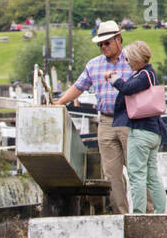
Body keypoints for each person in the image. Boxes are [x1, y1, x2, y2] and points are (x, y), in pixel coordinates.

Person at [53, 20, 137, 213]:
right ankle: (122, 216)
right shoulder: (93, 65)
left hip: (129, 119)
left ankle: (147, 214)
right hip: (105, 121)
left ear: (118, 39)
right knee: (111, 174)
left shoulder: (132, 60)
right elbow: (78, 87)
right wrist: (59, 103)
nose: (103, 47)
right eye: (100, 44)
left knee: (136, 170)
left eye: (107, 43)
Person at [111, 40, 165, 215]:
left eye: (128, 59)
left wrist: (114, 79)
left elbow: (127, 88)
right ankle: (160, 211)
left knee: (136, 175)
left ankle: (139, 213)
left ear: (136, 58)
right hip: (154, 132)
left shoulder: (143, 75)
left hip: (141, 131)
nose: (126, 62)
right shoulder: (150, 74)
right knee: (152, 176)